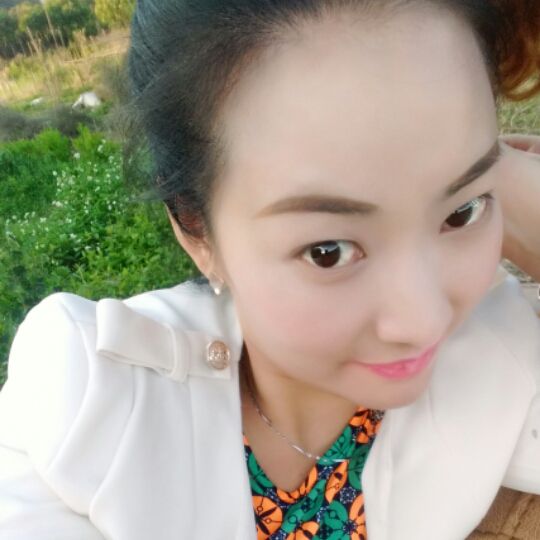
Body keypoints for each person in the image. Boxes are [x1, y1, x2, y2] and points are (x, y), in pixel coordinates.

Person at [1, 1, 540, 539]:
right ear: (196, 228)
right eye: (328, 251)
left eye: (462, 213)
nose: (423, 321)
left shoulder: (502, 353)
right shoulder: (83, 403)